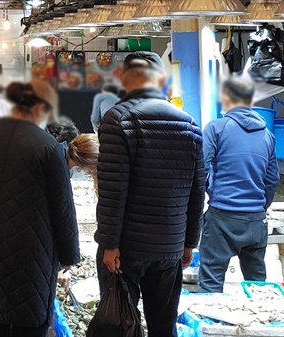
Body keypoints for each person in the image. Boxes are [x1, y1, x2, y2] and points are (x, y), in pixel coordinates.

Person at [0, 81, 80, 337]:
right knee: (29, 320)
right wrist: (69, 256)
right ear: (41, 107)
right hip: (32, 253)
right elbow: (63, 209)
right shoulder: (48, 147)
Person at [95, 52, 205, 337]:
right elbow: (198, 189)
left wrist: (109, 243)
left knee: (121, 324)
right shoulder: (189, 123)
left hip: (126, 248)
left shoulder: (117, 119)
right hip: (170, 246)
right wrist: (190, 242)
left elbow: (113, 189)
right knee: (163, 326)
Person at [199, 77, 279, 293]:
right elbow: (272, 179)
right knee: (258, 286)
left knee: (211, 283)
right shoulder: (267, 134)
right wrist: (260, 207)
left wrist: (211, 195)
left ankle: (212, 327)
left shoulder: (216, 128)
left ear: (225, 98)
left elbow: (201, 171)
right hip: (256, 220)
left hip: (222, 217)